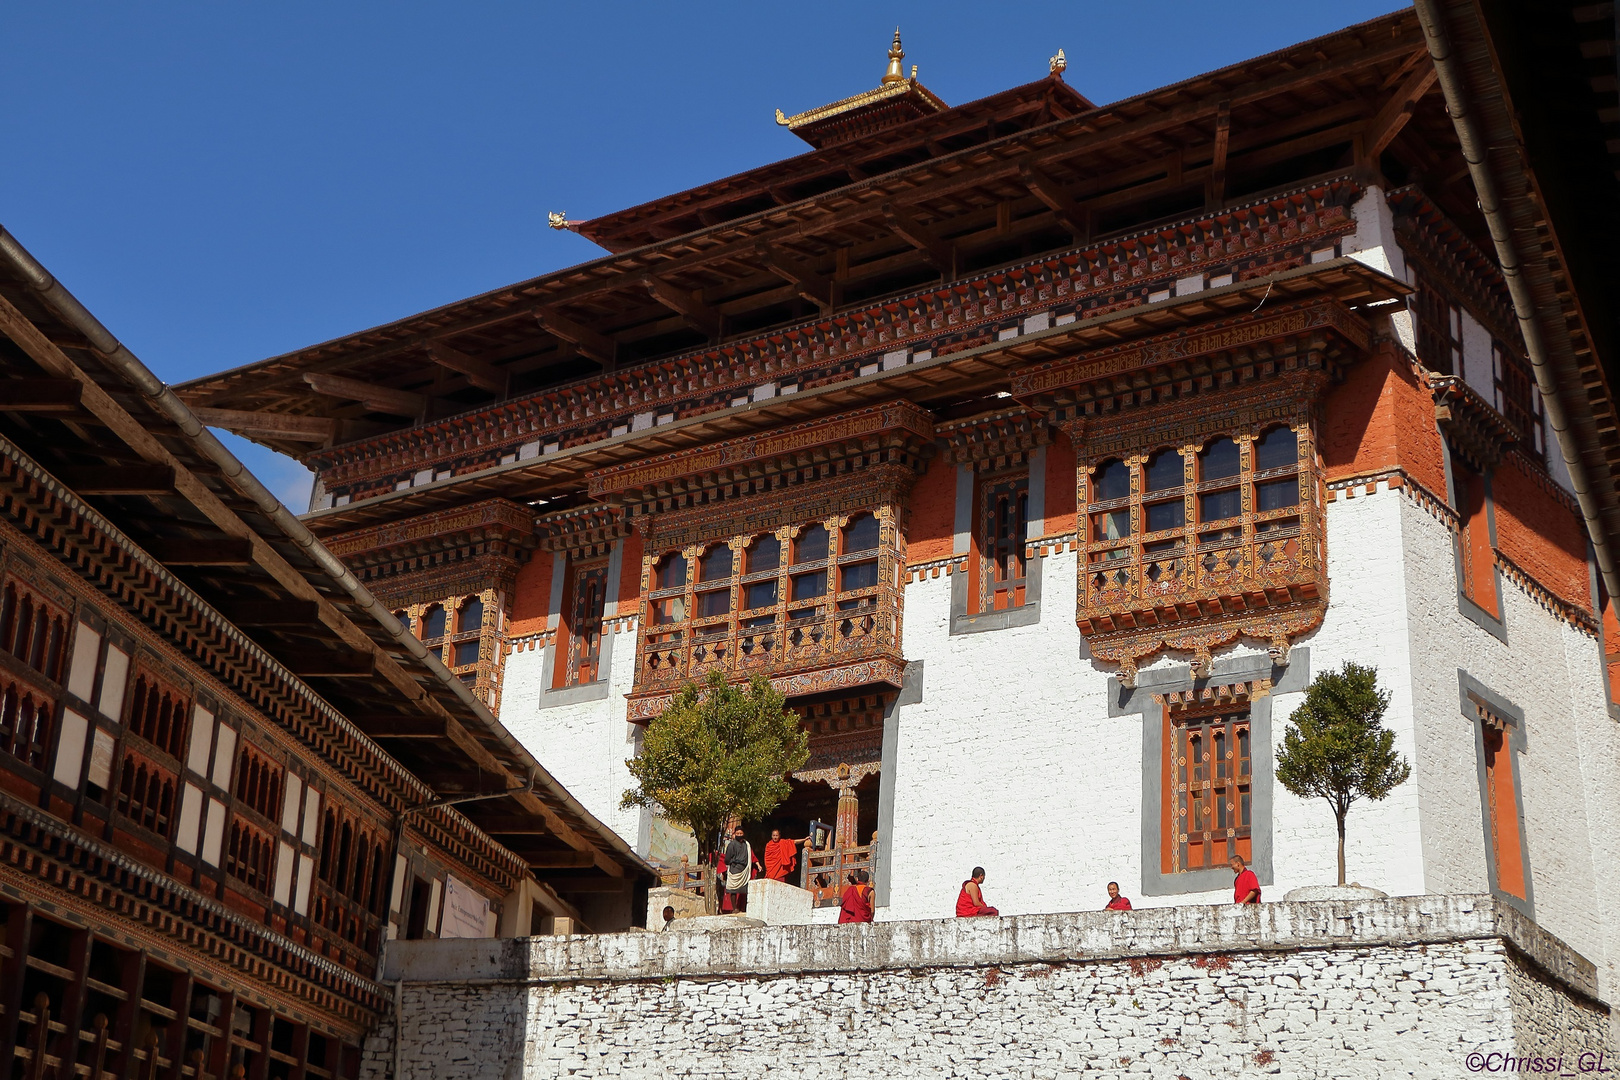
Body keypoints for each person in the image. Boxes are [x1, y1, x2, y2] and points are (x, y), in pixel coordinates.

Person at [723, 826, 757, 912]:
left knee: (745, 890)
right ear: (735, 834)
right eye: (737, 833)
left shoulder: (747, 845)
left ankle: (744, 908)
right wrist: (733, 862)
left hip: (744, 870)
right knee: (733, 889)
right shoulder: (732, 845)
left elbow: (751, 856)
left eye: (741, 833)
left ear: (744, 834)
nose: (739, 835)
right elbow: (727, 859)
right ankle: (735, 908)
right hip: (734, 869)